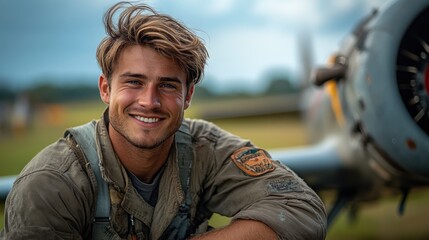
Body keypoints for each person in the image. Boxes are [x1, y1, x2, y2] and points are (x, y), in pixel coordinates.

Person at [1, 2, 327, 239]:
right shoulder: (51, 185)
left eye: (168, 85)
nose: (150, 101)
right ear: (105, 88)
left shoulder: (204, 150)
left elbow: (302, 210)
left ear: (188, 96)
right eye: (133, 82)